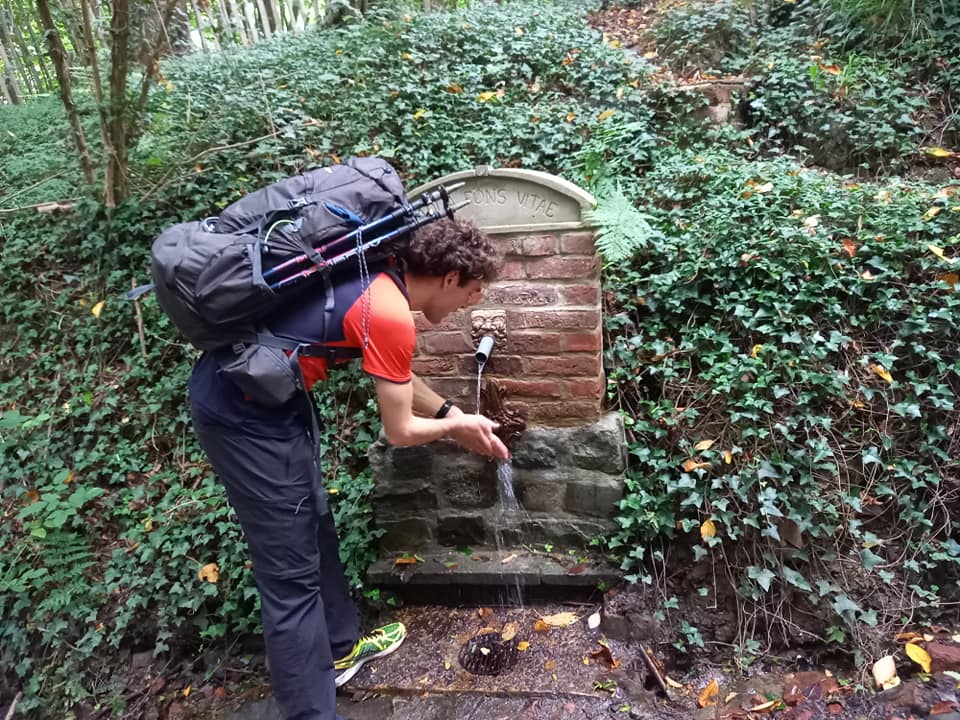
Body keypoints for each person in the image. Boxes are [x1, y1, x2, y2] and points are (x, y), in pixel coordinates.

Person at [188, 216, 509, 720]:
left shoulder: (383, 276)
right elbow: (400, 431)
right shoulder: (388, 311)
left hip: (280, 403)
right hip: (240, 414)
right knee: (289, 578)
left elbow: (397, 376)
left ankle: (339, 646)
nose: (473, 303)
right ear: (449, 278)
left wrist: (452, 413)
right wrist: (456, 430)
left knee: (314, 525)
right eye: (472, 291)